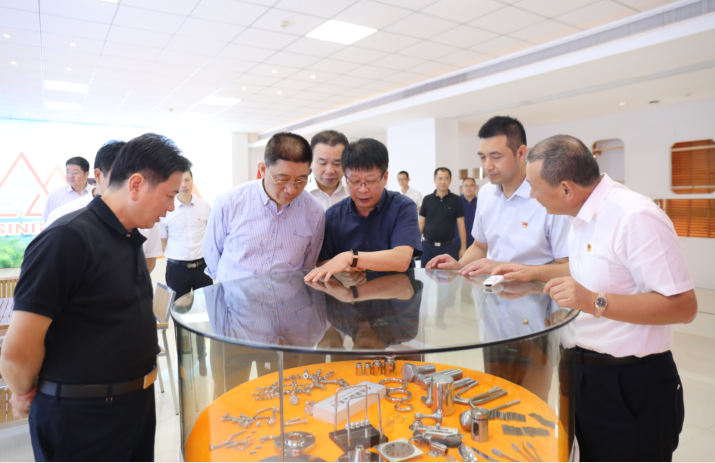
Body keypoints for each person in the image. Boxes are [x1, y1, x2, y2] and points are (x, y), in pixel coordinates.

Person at [0, 133, 191, 461]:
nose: (171, 207)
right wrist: (21, 393)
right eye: (169, 195)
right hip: (83, 418)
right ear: (136, 184)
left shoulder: (128, 236)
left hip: (133, 407)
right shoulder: (67, 238)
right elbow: (17, 350)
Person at [522, 134, 697, 461]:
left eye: (534, 188)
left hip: (628, 384)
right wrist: (525, 272)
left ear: (566, 189)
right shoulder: (580, 215)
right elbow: (588, 271)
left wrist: (593, 302)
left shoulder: (634, 217)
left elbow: (683, 306)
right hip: (580, 373)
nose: (531, 196)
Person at [426, 116, 571, 283]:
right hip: (492, 294)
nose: (487, 166)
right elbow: (480, 246)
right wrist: (459, 265)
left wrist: (510, 269)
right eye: (482, 157)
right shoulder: (486, 193)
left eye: (496, 157)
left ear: (521, 154)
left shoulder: (549, 195)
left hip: (536, 295)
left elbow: (567, 268)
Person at [203, 132, 325, 283]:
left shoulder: (314, 212)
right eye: (283, 179)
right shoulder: (228, 203)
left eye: (301, 180)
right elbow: (212, 257)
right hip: (236, 297)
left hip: (288, 297)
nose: (291, 190)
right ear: (263, 169)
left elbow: (308, 265)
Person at [305, 138, 422, 282]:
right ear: (346, 178)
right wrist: (342, 273)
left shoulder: (403, 207)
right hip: (350, 294)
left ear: (385, 177)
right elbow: (322, 261)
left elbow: (401, 260)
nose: (362, 189)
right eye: (354, 181)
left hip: (397, 292)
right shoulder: (333, 215)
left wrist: (350, 258)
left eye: (370, 181)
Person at [45, 141, 163, 273]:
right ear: (98, 175)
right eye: (119, 178)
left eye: (137, 180)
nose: (130, 185)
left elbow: (149, 261)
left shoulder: (147, 217)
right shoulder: (62, 217)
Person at [159, 169, 212, 375]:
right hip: (177, 270)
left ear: (192, 181)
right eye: (180, 181)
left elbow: (212, 236)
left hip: (202, 269)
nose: (184, 184)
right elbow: (163, 242)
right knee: (180, 316)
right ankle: (184, 360)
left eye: (187, 179)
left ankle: (202, 358)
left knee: (202, 316)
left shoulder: (205, 207)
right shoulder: (168, 208)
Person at [419, 167, 467, 264]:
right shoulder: (427, 199)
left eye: (446, 178)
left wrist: (463, 247)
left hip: (448, 247)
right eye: (440, 178)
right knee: (425, 273)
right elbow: (421, 223)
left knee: (448, 273)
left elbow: (461, 224)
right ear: (435, 180)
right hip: (427, 247)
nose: (443, 181)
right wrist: (415, 245)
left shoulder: (456, 200)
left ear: (450, 180)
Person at [305, 130, 350, 210]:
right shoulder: (298, 192)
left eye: (337, 163)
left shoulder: (355, 190)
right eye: (323, 163)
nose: (330, 171)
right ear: (310, 162)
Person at [42, 156, 93, 221]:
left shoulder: (96, 192)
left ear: (86, 174)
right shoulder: (55, 194)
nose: (70, 176)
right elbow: (48, 220)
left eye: (75, 173)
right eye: (67, 172)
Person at [454, 177, 478, 249]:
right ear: (462, 188)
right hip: (457, 242)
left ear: (476, 187)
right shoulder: (456, 202)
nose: (469, 188)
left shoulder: (480, 203)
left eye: (471, 186)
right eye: (466, 186)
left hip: (476, 243)